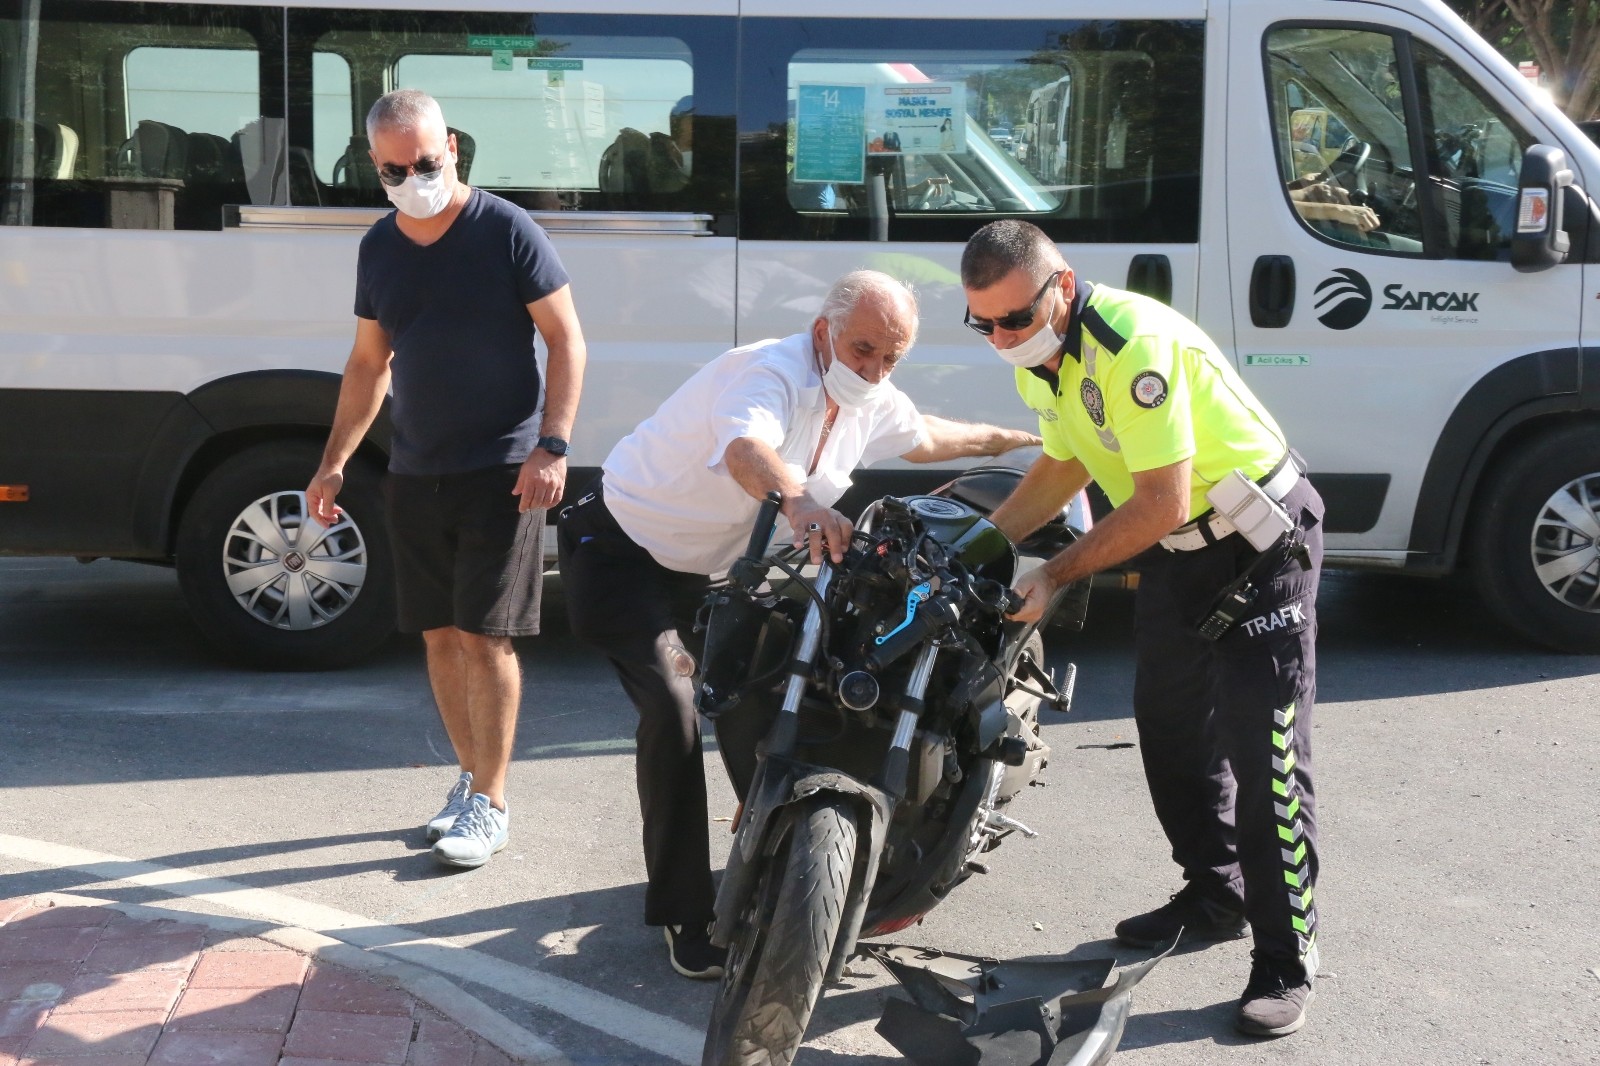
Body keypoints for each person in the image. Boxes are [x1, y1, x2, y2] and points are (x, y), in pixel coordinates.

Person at [557, 270, 1039, 980]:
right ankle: (685, 912)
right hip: (621, 551)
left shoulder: (870, 395)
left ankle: (790, 856)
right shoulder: (769, 371)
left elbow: (927, 435)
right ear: (824, 333)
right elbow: (746, 448)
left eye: (890, 357)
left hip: (718, 568)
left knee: (785, 682)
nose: (873, 369)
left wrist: (1011, 440)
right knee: (675, 709)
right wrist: (797, 502)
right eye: (862, 349)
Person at [960, 220, 1323, 1039]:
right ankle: (1215, 892)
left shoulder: (1131, 347)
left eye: (1014, 318)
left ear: (1061, 285)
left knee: (1265, 752)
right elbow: (1068, 462)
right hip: (1177, 551)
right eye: (983, 323)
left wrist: (1052, 575)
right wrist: (984, 543)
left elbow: (1157, 498)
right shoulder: (1044, 361)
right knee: (1168, 728)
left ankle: (1285, 958)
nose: (1001, 338)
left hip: (1259, 542)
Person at [307, 89, 586, 871]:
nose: (414, 177)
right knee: (438, 634)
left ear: (453, 148)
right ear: (374, 165)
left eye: (427, 162)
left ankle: (492, 803)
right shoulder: (380, 248)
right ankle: (471, 783)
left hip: (502, 469)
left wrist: (552, 446)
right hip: (415, 468)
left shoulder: (505, 230)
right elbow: (369, 363)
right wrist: (332, 463)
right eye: (396, 168)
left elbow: (566, 342)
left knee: (486, 636)